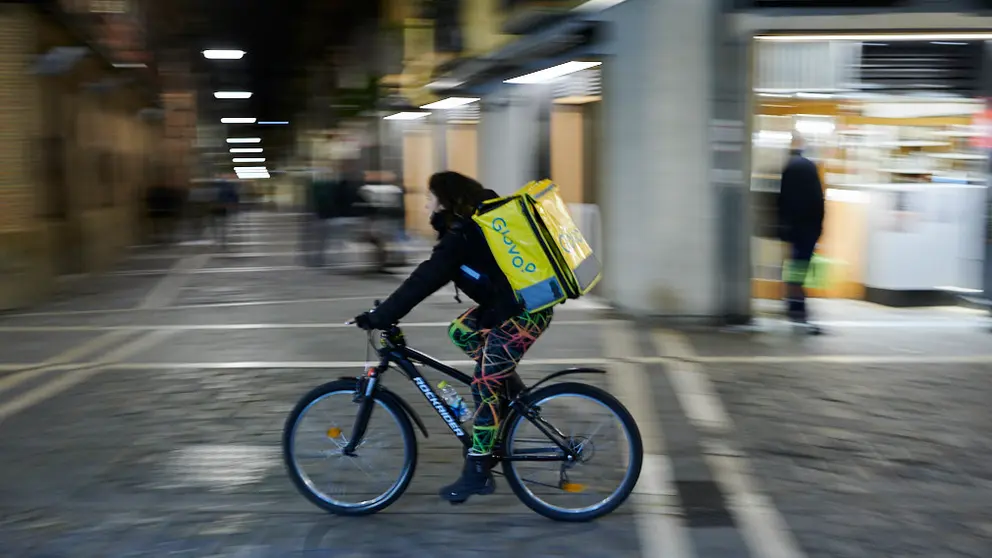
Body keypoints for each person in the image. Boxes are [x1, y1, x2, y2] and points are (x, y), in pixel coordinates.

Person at [353, 171, 554, 502]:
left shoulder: (463, 234)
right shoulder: (466, 228)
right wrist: (386, 312)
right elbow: (426, 277)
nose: (425, 203)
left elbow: (425, 279)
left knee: (484, 384)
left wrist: (382, 316)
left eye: (430, 197)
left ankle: (477, 470)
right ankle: (509, 392)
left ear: (445, 199)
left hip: (525, 312)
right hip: (508, 307)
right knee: (461, 330)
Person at [777, 133, 825, 334]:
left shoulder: (790, 167)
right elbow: (818, 201)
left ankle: (793, 304)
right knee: (800, 267)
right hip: (808, 227)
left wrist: (784, 225)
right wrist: (819, 227)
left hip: (794, 227)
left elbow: (783, 200)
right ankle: (797, 307)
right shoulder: (809, 167)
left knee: (795, 266)